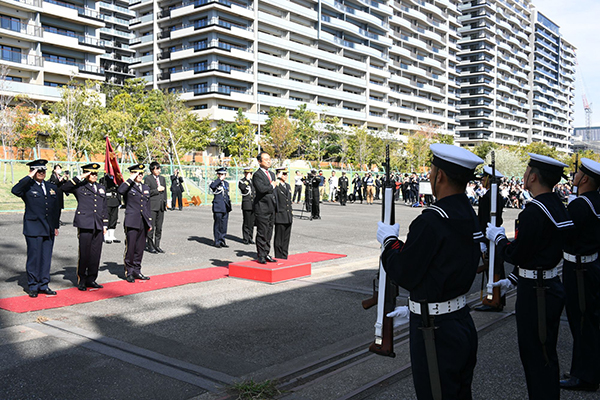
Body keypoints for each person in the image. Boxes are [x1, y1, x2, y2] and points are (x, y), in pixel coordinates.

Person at [377, 144, 484, 400]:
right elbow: (441, 266)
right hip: (458, 320)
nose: (430, 175)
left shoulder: (431, 220)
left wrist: (389, 242)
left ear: (440, 176)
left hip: (434, 332)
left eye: (432, 170)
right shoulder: (468, 214)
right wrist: (417, 305)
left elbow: (405, 271)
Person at [486, 153, 573, 400]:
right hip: (547, 284)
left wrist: (500, 239)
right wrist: (513, 280)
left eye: (526, 172)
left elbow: (519, 253)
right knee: (544, 353)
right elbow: (542, 252)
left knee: (536, 355)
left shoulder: (534, 211)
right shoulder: (556, 204)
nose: (524, 177)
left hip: (537, 293)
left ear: (533, 177)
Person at [560, 158, 600, 392]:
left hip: (578, 269)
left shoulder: (580, 204)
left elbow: (564, 236)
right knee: (589, 320)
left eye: (577, 174)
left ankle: (585, 376)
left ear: (584, 179)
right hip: (591, 265)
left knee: (582, 322)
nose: (574, 177)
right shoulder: (595, 202)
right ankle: (586, 369)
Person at [11, 159, 61, 298]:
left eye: (43, 170)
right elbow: (15, 190)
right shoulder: (27, 186)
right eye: (38, 170)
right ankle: (33, 285)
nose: (41, 173)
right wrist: (29, 176)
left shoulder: (51, 187)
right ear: (32, 171)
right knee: (34, 258)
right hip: (33, 227)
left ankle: (44, 284)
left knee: (46, 257)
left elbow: (55, 208)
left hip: (48, 227)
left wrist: (56, 225)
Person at [61, 163, 108, 291]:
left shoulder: (101, 187)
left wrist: (105, 224)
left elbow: (104, 207)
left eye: (95, 173)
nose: (94, 175)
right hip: (85, 223)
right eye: (91, 173)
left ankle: (92, 278)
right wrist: (80, 177)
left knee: (95, 253)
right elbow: (64, 187)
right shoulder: (80, 186)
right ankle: (82, 279)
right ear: (86, 174)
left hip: (98, 224)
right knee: (85, 253)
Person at [474, 166, 506, 312]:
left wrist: (482, 239)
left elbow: (484, 220)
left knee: (493, 269)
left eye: (483, 178)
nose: (481, 180)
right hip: (492, 234)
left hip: (489, 235)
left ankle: (494, 299)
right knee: (495, 268)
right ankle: (497, 298)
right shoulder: (495, 195)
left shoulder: (489, 197)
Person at [118, 164, 152, 282]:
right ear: (133, 174)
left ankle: (137, 270)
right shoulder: (128, 186)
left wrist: (149, 222)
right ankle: (129, 272)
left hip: (143, 221)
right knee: (130, 247)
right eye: (137, 173)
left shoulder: (146, 188)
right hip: (132, 221)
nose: (140, 175)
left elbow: (147, 206)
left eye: (141, 173)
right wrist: (131, 179)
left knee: (140, 248)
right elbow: (120, 190)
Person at [253, 152, 277, 264]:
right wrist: (271, 186)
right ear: (259, 161)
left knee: (269, 232)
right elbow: (261, 189)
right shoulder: (257, 175)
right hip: (262, 208)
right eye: (265, 159)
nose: (268, 161)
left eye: (269, 159)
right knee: (262, 232)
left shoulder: (272, 174)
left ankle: (267, 253)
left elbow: (273, 192)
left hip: (271, 207)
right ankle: (261, 255)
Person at [144, 161, 167, 253]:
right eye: (157, 169)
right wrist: (157, 190)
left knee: (159, 227)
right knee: (151, 227)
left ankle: (157, 245)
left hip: (161, 206)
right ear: (152, 169)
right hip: (152, 206)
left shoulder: (162, 179)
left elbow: (165, 192)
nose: (159, 170)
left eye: (159, 168)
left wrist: (165, 203)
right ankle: (150, 245)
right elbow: (147, 192)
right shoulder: (148, 179)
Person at [210, 167, 232, 248]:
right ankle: (217, 241)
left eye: (224, 174)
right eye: (222, 174)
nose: (224, 176)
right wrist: (219, 180)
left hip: (225, 206)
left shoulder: (226, 183)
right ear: (218, 175)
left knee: (224, 225)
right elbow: (212, 186)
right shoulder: (215, 182)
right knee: (218, 224)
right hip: (218, 207)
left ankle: (222, 240)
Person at [274, 167, 293, 259]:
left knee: (286, 238)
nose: (285, 176)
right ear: (279, 174)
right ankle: (278, 256)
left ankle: (284, 256)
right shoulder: (276, 186)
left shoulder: (288, 186)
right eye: (283, 174)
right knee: (279, 239)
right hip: (280, 215)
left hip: (288, 215)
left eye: (286, 174)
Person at [100, 172, 122, 244]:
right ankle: (106, 236)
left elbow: (119, 191)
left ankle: (112, 235)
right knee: (107, 218)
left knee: (114, 218)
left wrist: (119, 201)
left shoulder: (116, 179)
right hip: (107, 201)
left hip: (115, 200)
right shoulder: (103, 180)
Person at [238, 167, 255, 245]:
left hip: (253, 204)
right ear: (245, 173)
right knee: (246, 222)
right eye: (248, 173)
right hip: (247, 204)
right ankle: (245, 238)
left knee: (252, 222)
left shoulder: (253, 181)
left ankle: (250, 237)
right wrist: (247, 181)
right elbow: (243, 188)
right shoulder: (242, 181)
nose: (249, 175)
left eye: (250, 173)